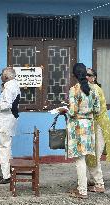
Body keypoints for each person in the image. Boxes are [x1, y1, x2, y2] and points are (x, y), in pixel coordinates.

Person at [58, 63, 100, 199]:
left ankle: (82, 191)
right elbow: (97, 110)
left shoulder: (74, 90)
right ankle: (83, 188)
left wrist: (64, 110)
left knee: (79, 160)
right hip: (89, 126)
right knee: (85, 158)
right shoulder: (93, 90)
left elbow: (73, 111)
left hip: (77, 127)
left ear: (74, 75)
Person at [0, 67, 21, 184]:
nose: (0, 76)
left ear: (6, 76)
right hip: (9, 119)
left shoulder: (9, 86)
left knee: (3, 148)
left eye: (1, 74)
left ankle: (6, 176)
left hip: (5, 121)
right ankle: (9, 172)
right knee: (7, 147)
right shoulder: (13, 85)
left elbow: (7, 104)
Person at [85, 68, 110, 193]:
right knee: (91, 153)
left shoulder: (94, 89)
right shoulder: (93, 88)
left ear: (93, 77)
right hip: (96, 124)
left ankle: (99, 183)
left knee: (94, 154)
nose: (86, 77)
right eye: (84, 75)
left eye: (88, 75)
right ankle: (93, 180)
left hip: (98, 124)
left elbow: (94, 109)